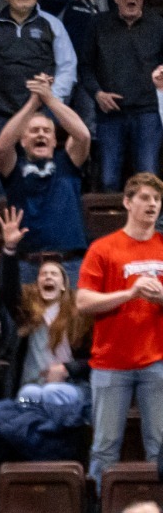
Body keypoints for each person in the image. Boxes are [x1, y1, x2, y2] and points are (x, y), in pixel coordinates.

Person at [75, 171, 163, 480]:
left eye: (156, 199)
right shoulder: (103, 248)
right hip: (111, 362)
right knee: (104, 447)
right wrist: (129, 293)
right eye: (144, 198)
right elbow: (83, 302)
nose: (152, 204)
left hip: (157, 360)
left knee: (160, 447)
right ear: (127, 202)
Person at [0, 74, 91, 275]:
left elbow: (83, 135)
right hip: (27, 265)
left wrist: (49, 98)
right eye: (34, 131)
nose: (41, 134)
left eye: (47, 131)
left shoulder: (68, 162)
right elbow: (2, 146)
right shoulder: (13, 166)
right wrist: (33, 101)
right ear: (22, 140)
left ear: (55, 141)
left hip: (69, 264)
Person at [80, 0, 163, 192]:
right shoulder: (98, 24)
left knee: (148, 176)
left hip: (148, 111)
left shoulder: (158, 24)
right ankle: (114, 225)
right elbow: (85, 67)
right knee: (108, 180)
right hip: (110, 114)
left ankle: (151, 226)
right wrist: (97, 94)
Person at [14, 252, 90, 401]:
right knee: (27, 394)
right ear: (37, 284)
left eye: (54, 274)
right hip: (35, 383)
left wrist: (68, 369)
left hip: (73, 384)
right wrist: (9, 251)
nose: (48, 276)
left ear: (63, 285)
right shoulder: (29, 315)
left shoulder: (79, 317)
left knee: (52, 392)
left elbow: (94, 359)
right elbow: (9, 291)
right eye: (43, 274)